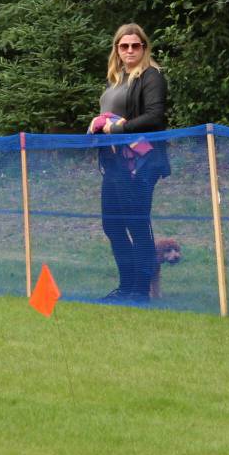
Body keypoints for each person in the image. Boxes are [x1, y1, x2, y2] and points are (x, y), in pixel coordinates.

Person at [88, 23, 170, 303]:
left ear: (144, 48)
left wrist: (116, 130)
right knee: (112, 225)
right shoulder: (116, 77)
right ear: (117, 49)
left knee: (137, 225)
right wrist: (99, 124)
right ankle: (125, 288)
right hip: (112, 163)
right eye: (124, 46)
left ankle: (139, 292)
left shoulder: (151, 76)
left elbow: (155, 116)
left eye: (136, 45)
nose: (130, 50)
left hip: (141, 164)